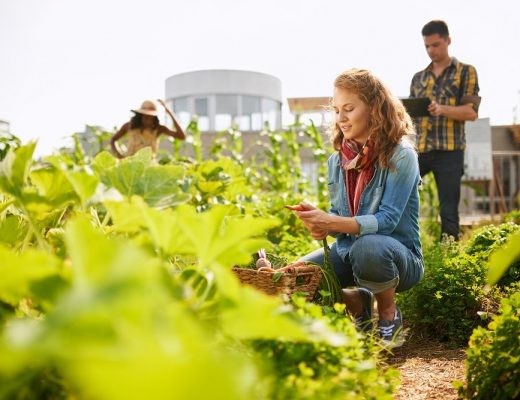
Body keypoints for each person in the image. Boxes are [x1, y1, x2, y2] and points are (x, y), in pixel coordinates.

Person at [288, 69, 424, 347]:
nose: (340, 119)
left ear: (374, 109)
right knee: (297, 277)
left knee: (369, 246)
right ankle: (357, 302)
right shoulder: (336, 162)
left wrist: (331, 222)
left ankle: (387, 312)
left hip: (398, 257)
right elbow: (340, 223)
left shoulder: (401, 155)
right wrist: (319, 220)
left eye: (349, 109)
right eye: (337, 110)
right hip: (349, 251)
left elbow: (386, 221)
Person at [410, 20, 481, 239]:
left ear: (448, 41)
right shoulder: (418, 78)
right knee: (397, 192)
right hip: (420, 150)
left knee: (448, 210)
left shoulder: (465, 72)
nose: (431, 50)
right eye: (427, 46)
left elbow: (471, 113)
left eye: (436, 45)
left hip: (450, 151)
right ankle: (403, 245)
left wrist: (442, 109)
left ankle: (449, 254)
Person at [110, 99, 186, 159]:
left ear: (155, 118)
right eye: (145, 117)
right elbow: (113, 140)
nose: (148, 120)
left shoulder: (159, 129)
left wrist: (169, 112)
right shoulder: (129, 126)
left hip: (149, 167)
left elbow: (181, 136)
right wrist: (119, 155)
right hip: (130, 166)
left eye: (151, 117)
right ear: (140, 116)